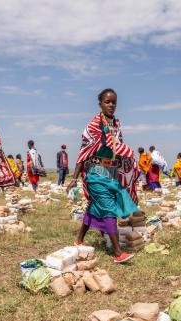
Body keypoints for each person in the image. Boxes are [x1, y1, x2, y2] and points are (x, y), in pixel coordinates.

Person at [67, 88, 138, 264]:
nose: (111, 105)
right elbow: (83, 153)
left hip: (111, 174)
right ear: (100, 103)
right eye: (107, 102)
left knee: (93, 208)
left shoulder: (115, 125)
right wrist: (74, 179)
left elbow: (118, 148)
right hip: (95, 174)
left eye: (114, 102)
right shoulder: (93, 127)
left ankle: (78, 239)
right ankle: (117, 253)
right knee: (108, 209)